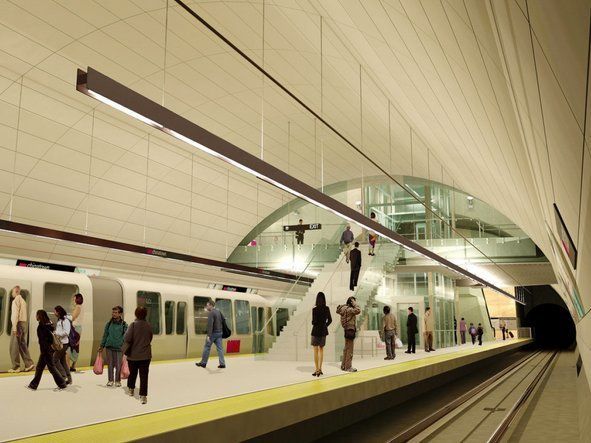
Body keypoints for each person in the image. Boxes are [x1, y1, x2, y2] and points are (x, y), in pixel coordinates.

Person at [26, 310, 67, 391]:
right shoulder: (49, 324)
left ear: (39, 316)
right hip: (49, 349)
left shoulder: (41, 327)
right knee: (40, 368)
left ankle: (62, 383)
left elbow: (43, 341)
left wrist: (44, 351)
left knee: (51, 368)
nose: (36, 317)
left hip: (46, 351)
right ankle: (33, 385)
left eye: (37, 315)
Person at [122, 307, 153, 405]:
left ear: (136, 314)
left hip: (133, 355)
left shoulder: (133, 325)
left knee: (133, 373)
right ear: (145, 314)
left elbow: (127, 338)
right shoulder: (149, 325)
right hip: (145, 356)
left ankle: (131, 389)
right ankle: (143, 396)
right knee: (144, 376)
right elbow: (150, 337)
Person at [98, 306, 128, 387]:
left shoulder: (124, 325)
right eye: (113, 312)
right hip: (109, 346)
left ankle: (118, 380)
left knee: (118, 365)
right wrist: (102, 346)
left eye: (115, 312)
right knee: (110, 364)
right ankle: (110, 380)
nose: (113, 314)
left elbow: (126, 337)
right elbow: (105, 335)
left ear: (120, 314)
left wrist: (125, 348)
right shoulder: (109, 324)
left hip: (119, 348)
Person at [8, 286, 34, 373]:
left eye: (12, 292)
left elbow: (15, 315)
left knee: (13, 346)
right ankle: (29, 364)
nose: (11, 294)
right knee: (22, 345)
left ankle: (16, 367)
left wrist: (14, 328)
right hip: (23, 324)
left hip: (18, 324)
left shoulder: (16, 301)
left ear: (16, 291)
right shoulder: (23, 301)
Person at [196, 299, 226, 369]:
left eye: (207, 305)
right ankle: (222, 364)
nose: (206, 307)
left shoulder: (211, 313)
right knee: (220, 349)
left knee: (207, 347)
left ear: (211, 305)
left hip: (213, 334)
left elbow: (210, 325)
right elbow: (223, 320)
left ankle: (203, 363)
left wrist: (209, 335)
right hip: (219, 333)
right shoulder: (218, 311)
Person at [336, 296, 360, 372]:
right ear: (351, 302)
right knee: (350, 349)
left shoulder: (343, 309)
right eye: (353, 301)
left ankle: (343, 365)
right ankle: (348, 367)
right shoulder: (350, 310)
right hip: (350, 329)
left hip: (346, 329)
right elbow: (358, 310)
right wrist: (355, 304)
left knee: (346, 348)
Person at [311, 292, 332, 377]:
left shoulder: (314, 309)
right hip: (323, 331)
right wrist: (324, 326)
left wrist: (315, 322)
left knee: (315, 351)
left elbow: (314, 322)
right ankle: (320, 369)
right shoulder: (327, 308)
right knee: (321, 350)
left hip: (315, 331)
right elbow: (330, 320)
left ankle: (316, 370)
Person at [53, 306, 72, 385]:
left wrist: (57, 333)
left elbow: (67, 332)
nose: (54, 313)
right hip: (60, 343)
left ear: (58, 312)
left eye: (55, 311)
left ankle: (63, 376)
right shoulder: (60, 320)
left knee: (54, 360)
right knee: (63, 361)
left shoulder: (65, 321)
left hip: (63, 344)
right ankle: (69, 379)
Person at [68, 293, 83, 372]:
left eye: (74, 299)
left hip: (75, 328)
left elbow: (73, 318)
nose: (73, 301)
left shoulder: (77, 307)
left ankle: (68, 366)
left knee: (70, 347)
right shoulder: (80, 307)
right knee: (76, 347)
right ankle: (73, 366)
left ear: (77, 299)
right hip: (78, 328)